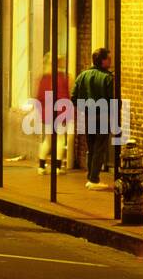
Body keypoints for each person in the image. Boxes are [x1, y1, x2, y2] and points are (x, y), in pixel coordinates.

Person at [72, 47, 114, 190]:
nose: (111, 60)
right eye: (108, 58)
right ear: (102, 61)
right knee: (99, 148)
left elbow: (73, 97)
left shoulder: (82, 76)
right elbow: (112, 99)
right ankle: (94, 179)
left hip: (86, 115)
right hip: (102, 115)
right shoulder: (108, 78)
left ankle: (90, 176)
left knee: (91, 147)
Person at [36, 55, 72, 175]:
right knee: (60, 138)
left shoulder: (44, 78)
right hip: (61, 111)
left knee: (48, 139)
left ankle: (41, 166)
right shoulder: (64, 77)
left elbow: (40, 97)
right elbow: (67, 96)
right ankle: (57, 167)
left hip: (47, 113)